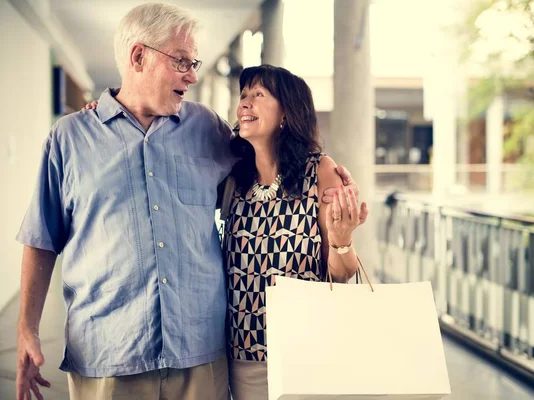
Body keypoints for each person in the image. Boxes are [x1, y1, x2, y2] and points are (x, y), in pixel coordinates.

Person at [16, 3, 359, 400]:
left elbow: (269, 159)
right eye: (182, 61)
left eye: (194, 62)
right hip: (108, 354)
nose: (193, 75)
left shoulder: (207, 128)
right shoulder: (71, 138)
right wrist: (27, 328)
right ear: (138, 56)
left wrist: (325, 172)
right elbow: (41, 238)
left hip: (200, 355)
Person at [223, 65, 368, 400]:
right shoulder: (234, 178)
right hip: (244, 354)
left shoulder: (319, 171)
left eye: (258, 95)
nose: (245, 103)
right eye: (243, 95)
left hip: (306, 352)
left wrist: (342, 239)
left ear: (286, 112)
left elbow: (342, 273)